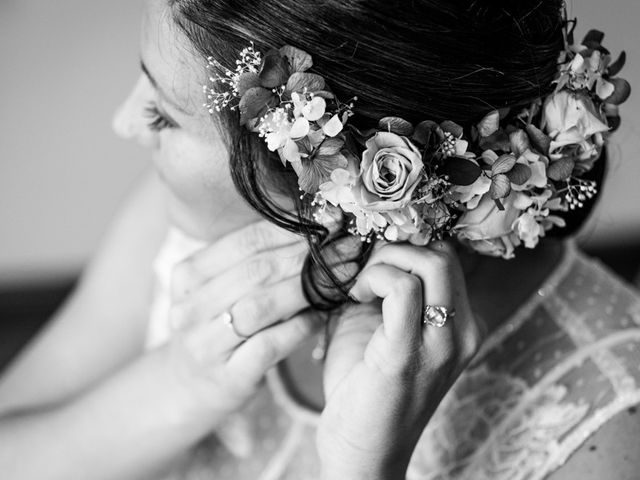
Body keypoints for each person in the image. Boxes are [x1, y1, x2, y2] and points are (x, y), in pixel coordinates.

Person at [0, 1, 638, 479]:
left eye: (163, 113)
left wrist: (361, 467)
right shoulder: (192, 219)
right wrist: (179, 385)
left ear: (317, 179)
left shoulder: (608, 428)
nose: (123, 122)